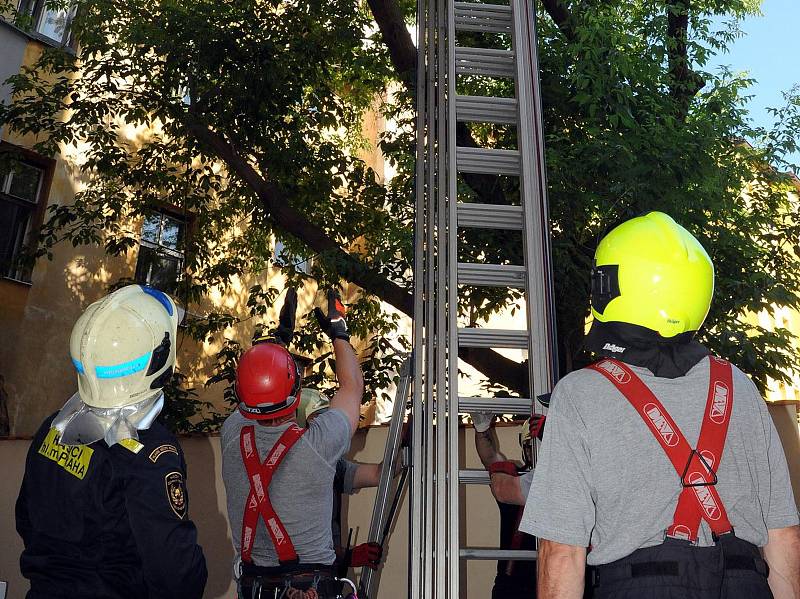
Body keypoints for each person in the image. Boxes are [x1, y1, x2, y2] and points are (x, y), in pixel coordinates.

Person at [520, 212, 800, 599]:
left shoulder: (580, 395)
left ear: (609, 289)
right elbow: (783, 536)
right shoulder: (739, 388)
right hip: (746, 583)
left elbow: (563, 553)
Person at [15, 284, 207, 599]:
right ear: (159, 358)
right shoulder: (149, 452)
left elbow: (27, 519)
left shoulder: (55, 427)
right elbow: (175, 573)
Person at [221, 289, 364, 599]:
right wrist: (339, 330)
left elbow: (253, 388)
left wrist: (278, 342)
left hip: (254, 587)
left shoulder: (231, 434)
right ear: (297, 390)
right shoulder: (319, 444)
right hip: (312, 587)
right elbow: (352, 387)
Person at [298, 389, 384, 574]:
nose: (327, 429)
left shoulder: (332, 465)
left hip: (325, 578)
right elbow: (298, 543)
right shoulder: (290, 473)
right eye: (318, 421)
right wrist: (348, 556)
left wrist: (403, 446)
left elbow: (378, 474)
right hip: (297, 584)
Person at [471, 412, 545, 599]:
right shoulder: (515, 477)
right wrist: (481, 430)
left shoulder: (569, 478)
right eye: (529, 447)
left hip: (560, 575)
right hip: (514, 583)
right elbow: (490, 458)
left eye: (541, 445)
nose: (534, 452)